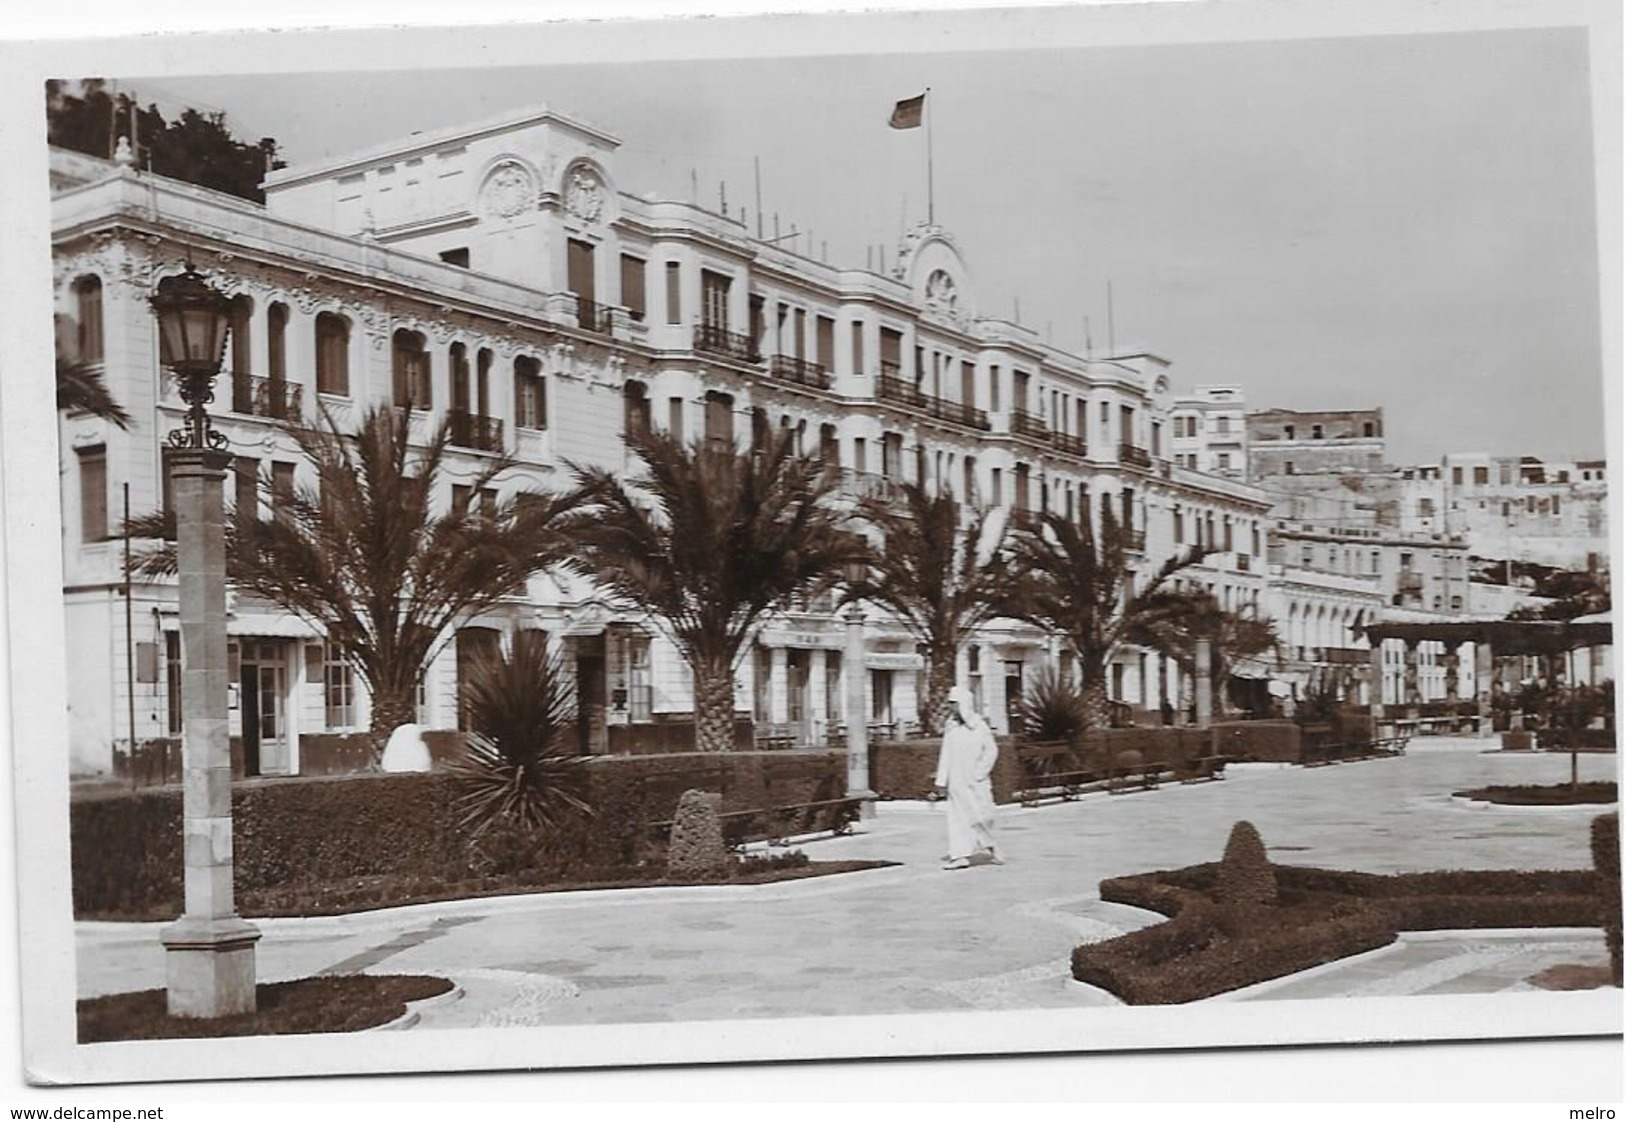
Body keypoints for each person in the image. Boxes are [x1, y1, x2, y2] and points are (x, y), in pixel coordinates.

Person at [932, 686, 1001, 870]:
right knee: (958, 818)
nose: (952, 708)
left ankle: (991, 846)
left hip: (977, 782)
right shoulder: (951, 726)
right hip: (957, 782)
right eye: (951, 704)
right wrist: (942, 780)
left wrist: (980, 772)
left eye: (955, 703)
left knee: (982, 816)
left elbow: (991, 750)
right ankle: (960, 855)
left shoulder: (979, 726)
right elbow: (946, 754)